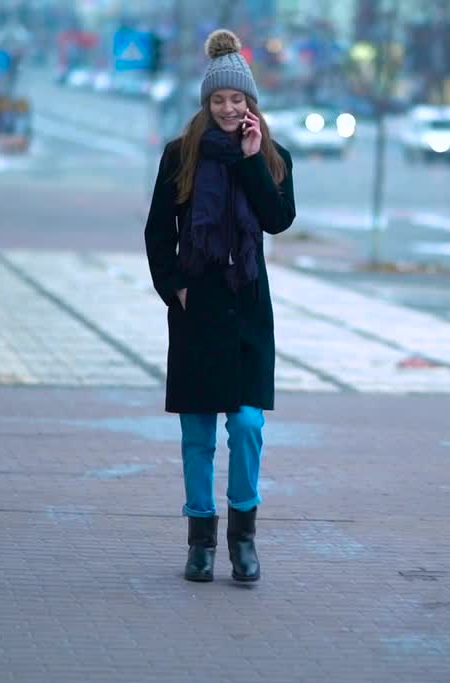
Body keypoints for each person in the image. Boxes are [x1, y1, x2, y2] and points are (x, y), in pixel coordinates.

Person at [144, 29, 296, 584]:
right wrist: (175, 288)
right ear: (206, 103)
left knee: (248, 423)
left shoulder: (273, 156)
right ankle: (201, 541)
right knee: (197, 435)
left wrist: (252, 161)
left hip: (249, 310)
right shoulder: (180, 155)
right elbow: (158, 232)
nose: (228, 108)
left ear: (250, 102)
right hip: (198, 307)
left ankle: (244, 538)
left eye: (237, 99)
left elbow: (278, 220)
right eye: (218, 100)